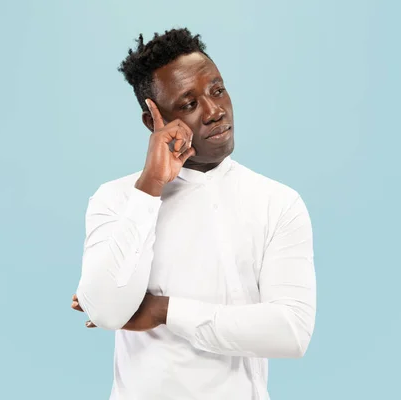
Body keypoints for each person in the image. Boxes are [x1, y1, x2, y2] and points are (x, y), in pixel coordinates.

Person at [71, 28, 316, 400]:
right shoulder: (117, 199)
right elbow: (106, 312)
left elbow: (291, 331)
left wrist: (163, 310)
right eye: (188, 104)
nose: (215, 111)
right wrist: (151, 185)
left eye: (217, 90)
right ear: (153, 121)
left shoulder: (277, 202)